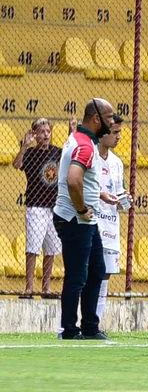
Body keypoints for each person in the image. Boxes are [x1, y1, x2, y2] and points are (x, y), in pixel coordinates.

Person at [53, 98, 117, 340]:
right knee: (77, 276)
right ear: (96, 119)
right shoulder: (86, 146)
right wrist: (81, 209)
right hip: (75, 219)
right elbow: (73, 180)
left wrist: (98, 194)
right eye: (109, 117)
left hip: (83, 220)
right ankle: (69, 330)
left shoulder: (81, 140)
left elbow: (81, 179)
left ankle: (90, 327)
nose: (112, 122)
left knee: (96, 270)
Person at [12, 118, 62, 298]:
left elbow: (69, 160)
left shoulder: (57, 152)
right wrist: (24, 146)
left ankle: (46, 288)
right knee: (33, 248)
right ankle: (29, 287)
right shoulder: (31, 153)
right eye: (42, 132)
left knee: (51, 249)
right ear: (35, 134)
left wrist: (72, 131)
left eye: (48, 131)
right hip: (36, 206)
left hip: (54, 207)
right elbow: (17, 164)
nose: (46, 135)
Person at [96, 114, 131, 322]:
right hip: (92, 221)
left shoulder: (117, 163)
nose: (119, 137)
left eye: (120, 132)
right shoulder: (90, 157)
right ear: (103, 134)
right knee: (90, 273)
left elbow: (118, 193)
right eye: (115, 132)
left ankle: (96, 323)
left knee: (106, 274)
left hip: (110, 223)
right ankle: (78, 321)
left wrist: (124, 199)